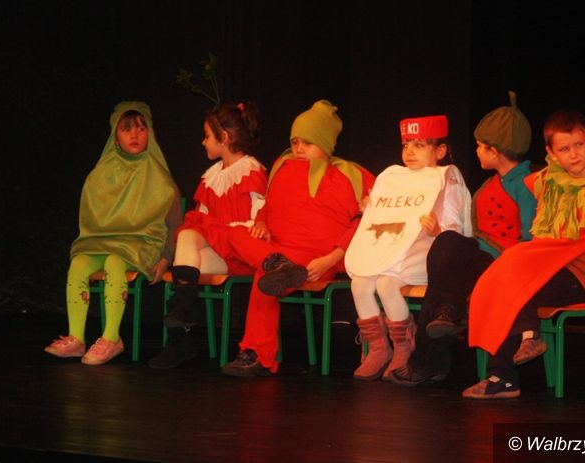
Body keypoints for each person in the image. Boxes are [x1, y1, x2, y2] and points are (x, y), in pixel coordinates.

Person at [462, 109, 585, 399]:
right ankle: (508, 370)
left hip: (578, 278)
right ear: (552, 153)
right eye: (564, 149)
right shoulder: (546, 183)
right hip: (546, 269)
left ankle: (513, 361)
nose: (574, 154)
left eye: (579, 145)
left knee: (518, 285)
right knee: (500, 275)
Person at [220, 99, 376, 377]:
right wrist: (261, 223)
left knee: (265, 276)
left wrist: (332, 257)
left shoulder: (351, 174)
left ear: (325, 142)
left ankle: (258, 355)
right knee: (234, 232)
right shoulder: (283, 165)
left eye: (308, 142)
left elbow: (365, 221)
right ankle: (276, 262)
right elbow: (269, 206)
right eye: (295, 142)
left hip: (318, 258)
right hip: (280, 251)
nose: (299, 149)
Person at [390, 91, 537, 386]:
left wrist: (511, 266)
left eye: (481, 146)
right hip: (480, 255)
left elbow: (530, 237)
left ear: (495, 151)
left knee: (445, 266)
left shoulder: (527, 184)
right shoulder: (492, 184)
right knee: (445, 247)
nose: (477, 151)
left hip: (503, 262)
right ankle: (447, 318)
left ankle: (431, 357)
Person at [45, 101, 181, 365]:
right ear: (115, 136)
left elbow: (175, 224)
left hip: (141, 245)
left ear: (150, 133)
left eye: (141, 128)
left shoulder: (160, 177)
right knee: (79, 264)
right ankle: (76, 337)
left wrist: (166, 258)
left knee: (114, 262)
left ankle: (111, 338)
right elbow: (93, 218)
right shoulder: (101, 174)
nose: (134, 135)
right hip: (104, 242)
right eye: (126, 129)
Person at [345, 115, 472, 381]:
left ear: (440, 151)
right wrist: (370, 209)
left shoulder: (445, 179)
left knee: (386, 285)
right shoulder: (393, 178)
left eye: (419, 145)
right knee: (359, 284)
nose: (409, 152)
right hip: (392, 251)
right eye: (406, 145)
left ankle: (403, 347)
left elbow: (456, 234)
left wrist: (437, 229)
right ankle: (378, 348)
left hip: (425, 255)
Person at [148, 102, 268, 369]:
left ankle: (180, 334)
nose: (203, 142)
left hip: (238, 254)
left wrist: (224, 229)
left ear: (224, 138)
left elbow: (259, 221)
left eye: (207, 136)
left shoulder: (252, 172)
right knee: (189, 236)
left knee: (189, 241)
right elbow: (199, 223)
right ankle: (181, 331)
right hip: (214, 253)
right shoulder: (211, 177)